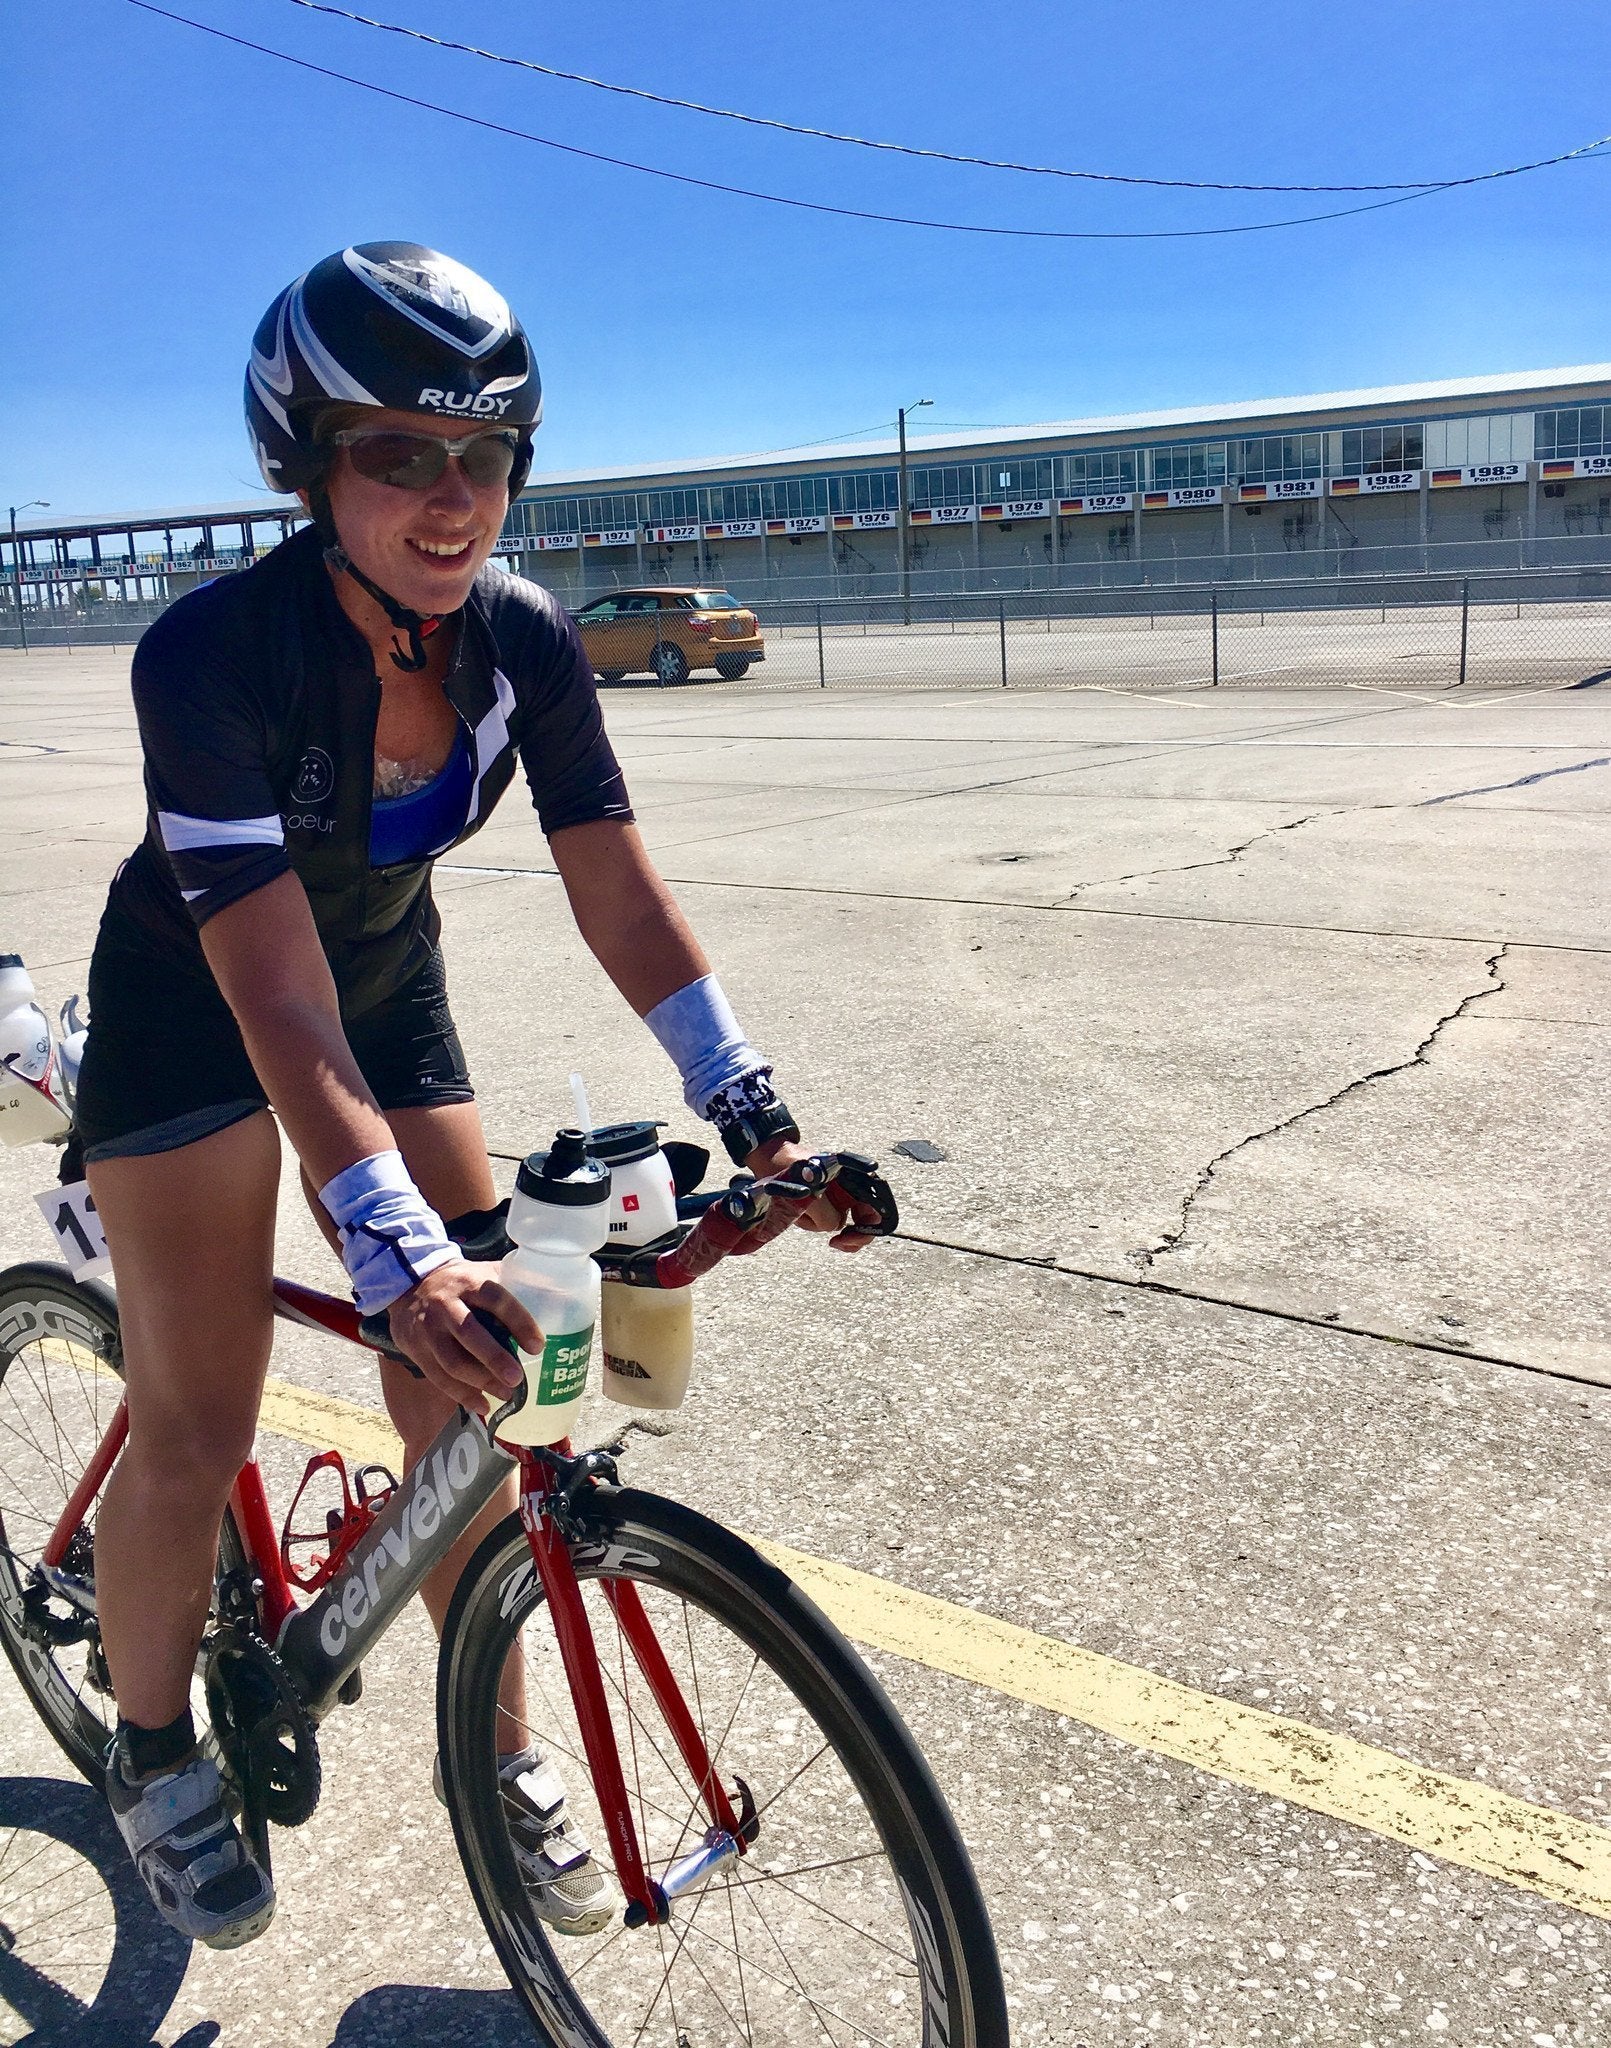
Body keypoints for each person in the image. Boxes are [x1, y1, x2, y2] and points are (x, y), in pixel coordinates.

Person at [72, 242, 877, 1951]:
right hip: (198, 1009)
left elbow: (621, 896)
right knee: (200, 1412)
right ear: (306, 464)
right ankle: (149, 1751)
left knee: (477, 1397)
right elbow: (269, 991)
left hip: (383, 991)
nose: (454, 497)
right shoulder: (211, 656)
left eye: (487, 454)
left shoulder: (524, 641)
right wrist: (392, 1249)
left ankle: (493, 1759)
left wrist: (758, 1118)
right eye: (399, 452)